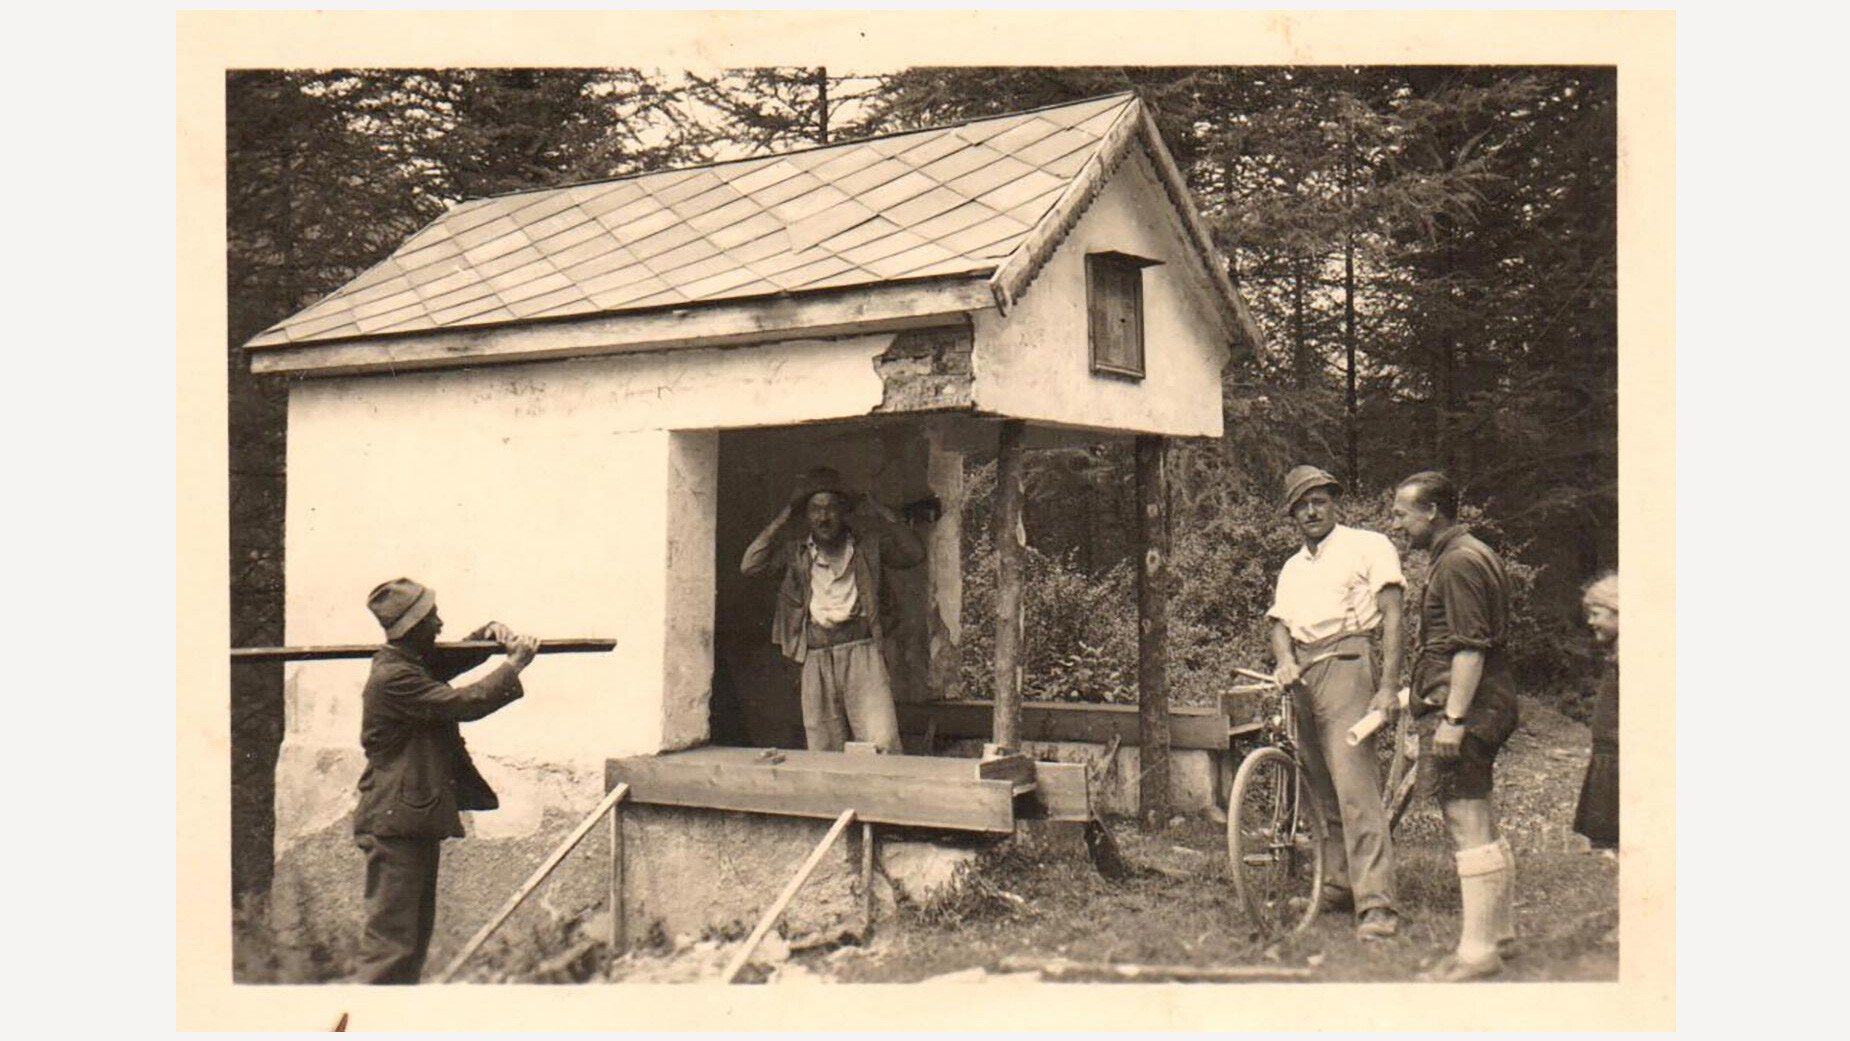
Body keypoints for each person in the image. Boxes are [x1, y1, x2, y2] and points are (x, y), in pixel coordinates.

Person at [352, 577, 539, 984]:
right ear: (411, 628)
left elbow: (445, 665)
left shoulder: (408, 663)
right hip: (394, 824)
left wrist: (485, 637)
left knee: (411, 944)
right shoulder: (395, 678)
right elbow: (462, 703)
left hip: (408, 820)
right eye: (431, 617)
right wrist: (514, 665)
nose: (440, 624)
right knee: (391, 949)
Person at [1265, 464, 1406, 940]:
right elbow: (1279, 625)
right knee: (1318, 786)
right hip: (1303, 674)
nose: (1311, 510)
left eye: (1319, 500)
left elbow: (1392, 617)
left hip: (1348, 660)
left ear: (1333, 502)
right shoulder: (1292, 566)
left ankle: (1377, 903)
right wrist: (1285, 661)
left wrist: (1387, 686)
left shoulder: (1368, 545)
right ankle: (1339, 884)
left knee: (1354, 786)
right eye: (1301, 504)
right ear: (1291, 514)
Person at [1390, 471, 1520, 982]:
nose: (1396, 522)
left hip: (1465, 706)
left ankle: (1476, 953)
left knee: (1465, 820)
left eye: (1402, 512)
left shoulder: (1459, 562)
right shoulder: (1469, 552)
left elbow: (1470, 647)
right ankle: (1502, 935)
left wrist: (1453, 720)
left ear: (1433, 512)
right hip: (1477, 701)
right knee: (1480, 816)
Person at [741, 467, 925, 753]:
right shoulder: (796, 553)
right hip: (816, 658)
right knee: (823, 747)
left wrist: (884, 513)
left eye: (831, 508)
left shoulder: (868, 548)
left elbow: (914, 554)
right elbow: (749, 565)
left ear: (844, 512)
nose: (824, 517)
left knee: (882, 743)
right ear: (806, 515)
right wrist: (783, 518)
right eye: (815, 509)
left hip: (862, 654)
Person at [1573, 572, 1620, 851]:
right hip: (1607, 754)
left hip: (1617, 756)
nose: (1590, 622)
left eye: (1596, 614)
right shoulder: (1615, 656)